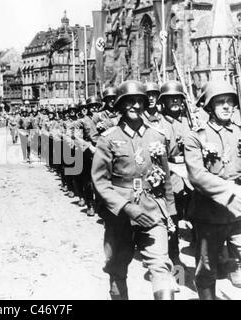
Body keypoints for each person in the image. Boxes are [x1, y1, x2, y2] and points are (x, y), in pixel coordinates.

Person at [91, 80, 176, 300]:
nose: (136, 106)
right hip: (120, 214)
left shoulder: (156, 136)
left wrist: (171, 211)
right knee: (117, 265)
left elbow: (165, 176)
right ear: (120, 105)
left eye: (140, 101)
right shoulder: (109, 138)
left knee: (161, 265)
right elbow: (100, 182)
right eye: (130, 101)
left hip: (152, 209)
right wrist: (126, 207)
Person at [184, 81, 241, 299]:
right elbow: (197, 176)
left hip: (237, 212)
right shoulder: (196, 136)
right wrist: (230, 190)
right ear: (209, 106)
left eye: (230, 102)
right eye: (220, 102)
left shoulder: (238, 132)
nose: (226, 106)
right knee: (207, 268)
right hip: (209, 212)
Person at [158, 81, 192, 268]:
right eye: (170, 98)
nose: (175, 101)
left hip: (191, 177)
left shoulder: (189, 121)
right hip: (172, 178)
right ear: (164, 102)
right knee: (172, 221)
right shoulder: (160, 124)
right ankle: (174, 258)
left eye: (178, 98)